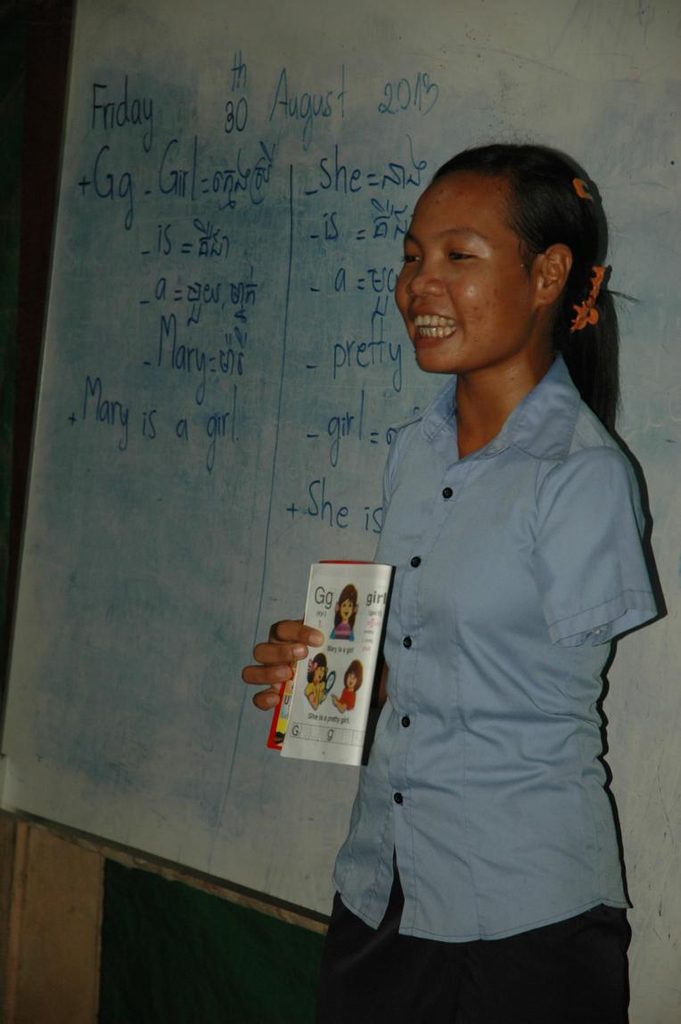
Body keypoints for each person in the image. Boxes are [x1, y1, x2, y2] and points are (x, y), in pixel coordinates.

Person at [242, 143, 658, 1023]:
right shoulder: (415, 450)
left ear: (548, 274)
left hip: (519, 920)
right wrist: (336, 681)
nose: (416, 287)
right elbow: (438, 672)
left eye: (457, 258)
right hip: (380, 890)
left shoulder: (579, 476)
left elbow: (542, 701)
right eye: (410, 256)